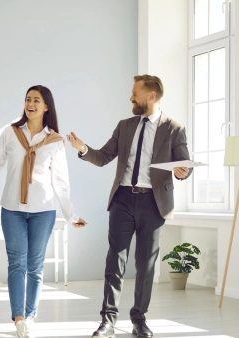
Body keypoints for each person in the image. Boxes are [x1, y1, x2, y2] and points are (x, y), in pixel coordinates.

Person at [0, 85, 87, 338]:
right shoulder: (11, 133)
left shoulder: (55, 141)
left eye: (36, 100)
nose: (30, 104)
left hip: (43, 211)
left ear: (46, 106)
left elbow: (61, 183)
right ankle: (18, 319)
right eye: (27, 99)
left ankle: (31, 316)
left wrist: (71, 216)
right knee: (16, 265)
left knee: (35, 267)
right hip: (12, 209)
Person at [66, 75, 192, 338]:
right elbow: (103, 157)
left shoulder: (174, 129)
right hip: (123, 198)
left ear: (151, 96)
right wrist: (83, 148)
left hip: (154, 203)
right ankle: (107, 321)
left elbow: (183, 166)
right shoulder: (124, 126)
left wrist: (182, 173)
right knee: (115, 260)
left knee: (145, 264)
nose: (131, 98)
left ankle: (139, 320)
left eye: (135, 93)